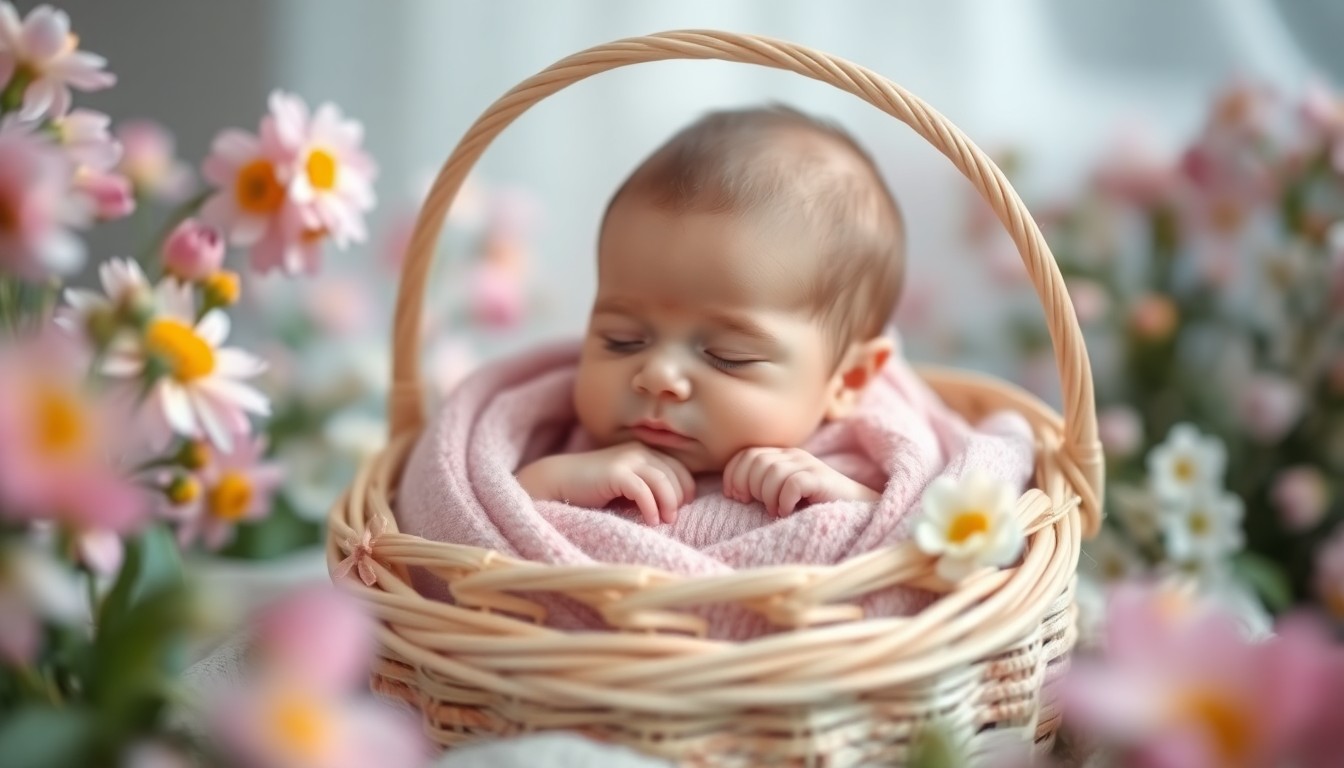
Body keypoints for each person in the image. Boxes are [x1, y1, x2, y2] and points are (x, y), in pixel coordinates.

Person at [516, 104, 905, 526]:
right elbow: (466, 517)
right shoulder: (557, 441)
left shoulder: (862, 460)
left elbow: (925, 544)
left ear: (848, 380)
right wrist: (544, 484)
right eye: (622, 339)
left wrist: (853, 503)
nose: (659, 376)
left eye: (727, 355)